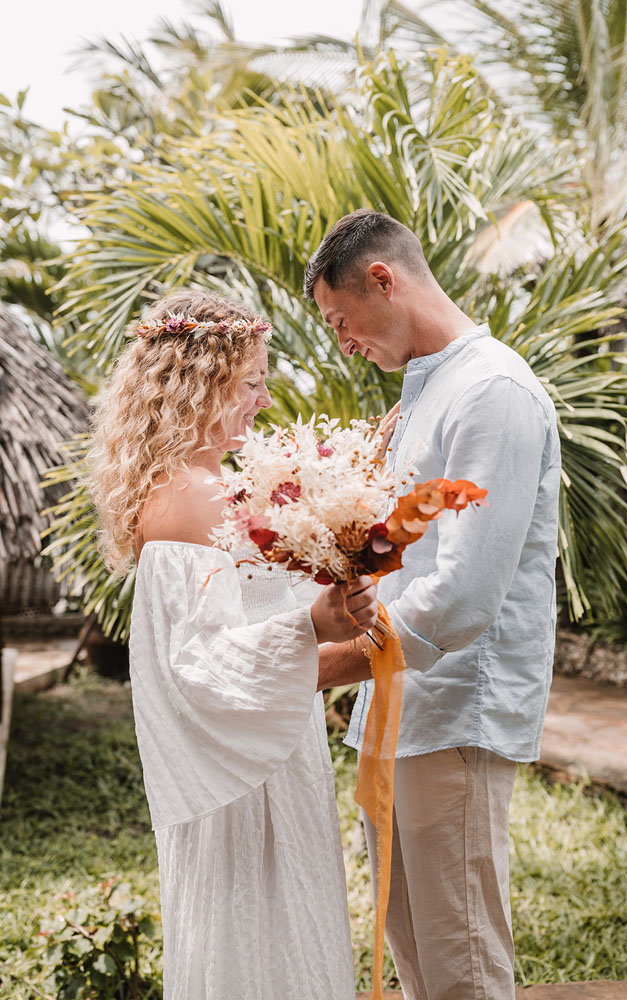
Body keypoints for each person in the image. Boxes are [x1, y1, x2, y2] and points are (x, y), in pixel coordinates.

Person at [88, 290, 380, 1000]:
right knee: (268, 946)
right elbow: (203, 665)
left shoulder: (192, 485)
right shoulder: (199, 496)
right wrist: (318, 627)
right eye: (251, 380)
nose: (263, 395)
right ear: (203, 382)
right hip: (246, 776)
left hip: (254, 751)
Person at [305, 209, 561, 1000]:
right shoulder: (427, 393)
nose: (342, 343)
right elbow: (401, 559)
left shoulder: (490, 391)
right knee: (410, 945)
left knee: (460, 960)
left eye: (340, 320)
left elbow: (462, 595)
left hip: (455, 708)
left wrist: (327, 667)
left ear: (383, 279)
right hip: (399, 710)